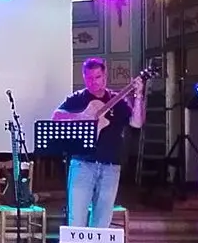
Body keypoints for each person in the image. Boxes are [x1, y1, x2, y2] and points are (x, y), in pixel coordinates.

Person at [51, 58, 146, 227]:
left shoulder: (117, 100)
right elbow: (56, 117)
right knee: (76, 219)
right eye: (89, 78)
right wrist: (81, 116)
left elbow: (137, 123)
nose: (93, 82)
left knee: (102, 221)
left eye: (97, 77)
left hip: (111, 166)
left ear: (105, 76)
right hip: (82, 165)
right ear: (84, 77)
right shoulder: (78, 98)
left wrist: (138, 95)